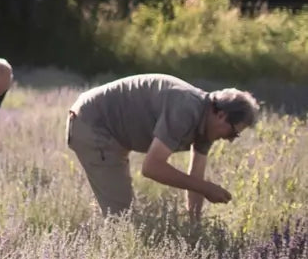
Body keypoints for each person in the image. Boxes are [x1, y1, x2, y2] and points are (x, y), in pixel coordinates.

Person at [66, 73, 259, 218]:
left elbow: (196, 177)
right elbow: (152, 167)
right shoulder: (187, 109)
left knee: (119, 210)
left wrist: (195, 225)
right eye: (233, 132)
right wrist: (206, 188)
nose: (230, 139)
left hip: (110, 132)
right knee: (121, 217)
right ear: (221, 115)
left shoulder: (207, 126)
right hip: (93, 123)